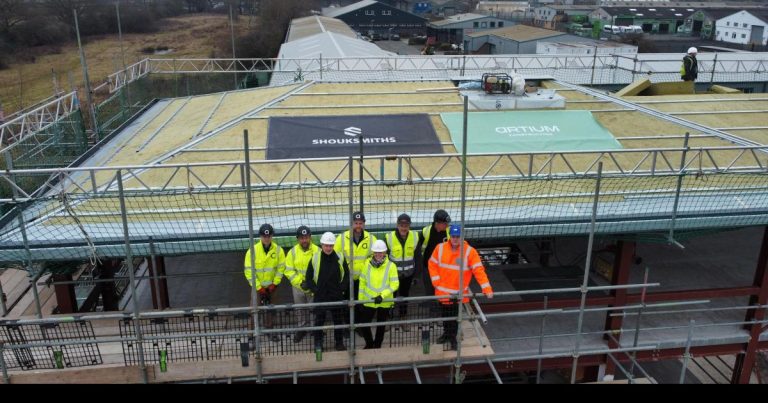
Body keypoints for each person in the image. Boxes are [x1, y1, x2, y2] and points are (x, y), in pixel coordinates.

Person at [428, 224, 493, 350]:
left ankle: (453, 340)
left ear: (461, 236)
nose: (455, 239)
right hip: (442, 293)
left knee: (455, 319)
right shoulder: (439, 248)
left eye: (458, 236)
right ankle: (447, 335)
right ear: (450, 236)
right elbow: (432, 264)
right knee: (445, 317)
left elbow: (479, 271)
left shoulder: (469, 252)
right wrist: (436, 281)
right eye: (453, 236)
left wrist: (487, 289)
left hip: (457, 295)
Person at [305, 232, 349, 352]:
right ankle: (318, 343)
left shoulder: (340, 257)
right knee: (319, 320)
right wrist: (316, 290)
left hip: (336, 295)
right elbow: (308, 278)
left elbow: (346, 275)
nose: (328, 248)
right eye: (326, 245)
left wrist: (341, 289)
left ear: (334, 245)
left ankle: (339, 343)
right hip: (321, 296)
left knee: (338, 321)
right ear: (322, 245)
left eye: (331, 245)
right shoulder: (315, 258)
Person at [243, 224, 286, 342]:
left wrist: (274, 284)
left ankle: (270, 331)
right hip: (257, 288)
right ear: (260, 236)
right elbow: (248, 271)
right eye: (264, 236)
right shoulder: (252, 251)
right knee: (254, 310)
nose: (266, 238)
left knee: (271, 310)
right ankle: (251, 334)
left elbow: (281, 268)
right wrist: (258, 287)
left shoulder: (278, 250)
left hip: (273, 288)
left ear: (272, 236)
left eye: (269, 235)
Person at [358, 240, 399, 349]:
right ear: (373, 252)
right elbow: (362, 282)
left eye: (380, 252)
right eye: (376, 252)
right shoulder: (367, 264)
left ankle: (377, 346)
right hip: (369, 300)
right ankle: (370, 344)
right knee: (364, 324)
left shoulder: (391, 266)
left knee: (381, 326)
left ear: (385, 252)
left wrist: (382, 296)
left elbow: (395, 284)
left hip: (384, 301)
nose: (378, 254)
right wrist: (360, 300)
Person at [334, 211, 377, 312]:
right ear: (351, 224)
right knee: (347, 305)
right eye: (356, 223)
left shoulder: (371, 239)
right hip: (346, 279)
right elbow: (335, 257)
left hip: (363, 279)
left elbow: (376, 256)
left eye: (360, 223)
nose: (358, 226)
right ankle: (348, 326)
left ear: (364, 224)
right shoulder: (341, 238)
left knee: (361, 305)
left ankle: (358, 327)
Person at [283, 225, 319, 344]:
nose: (304, 240)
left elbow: (320, 270)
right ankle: (302, 329)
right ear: (298, 239)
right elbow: (288, 270)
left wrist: (310, 283)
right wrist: (300, 282)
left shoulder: (317, 251)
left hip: (313, 287)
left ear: (310, 237)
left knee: (314, 308)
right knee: (300, 309)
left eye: (306, 237)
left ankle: (315, 329)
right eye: (302, 238)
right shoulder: (292, 252)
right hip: (298, 287)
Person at [384, 213, 420, 330]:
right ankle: (388, 319)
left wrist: (416, 275)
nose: (404, 228)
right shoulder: (389, 238)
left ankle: (403, 319)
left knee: (405, 297)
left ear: (409, 226)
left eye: (406, 225)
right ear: (397, 225)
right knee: (390, 297)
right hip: (393, 276)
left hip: (408, 274)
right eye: (401, 225)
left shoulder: (415, 237)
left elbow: (418, 257)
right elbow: (384, 258)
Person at [417, 209, 451, 297]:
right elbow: (418, 248)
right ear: (437, 223)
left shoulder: (449, 232)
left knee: (441, 286)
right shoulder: (426, 231)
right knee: (428, 286)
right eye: (445, 223)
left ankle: (439, 302)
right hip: (427, 266)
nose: (447, 225)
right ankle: (430, 303)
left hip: (442, 267)